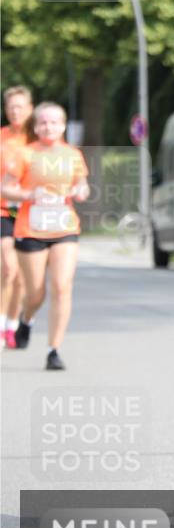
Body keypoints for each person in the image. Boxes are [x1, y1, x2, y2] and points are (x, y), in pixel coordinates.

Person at [0, 102, 89, 370]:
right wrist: (28, 195)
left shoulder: (73, 155)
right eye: (43, 123)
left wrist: (82, 191)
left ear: (63, 126)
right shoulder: (25, 155)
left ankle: (53, 350)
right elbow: (5, 189)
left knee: (62, 286)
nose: (48, 127)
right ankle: (26, 319)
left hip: (64, 227)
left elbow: (81, 183)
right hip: (31, 229)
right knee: (35, 293)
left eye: (53, 122)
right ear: (36, 127)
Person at [0, 85, 34, 348]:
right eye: (11, 106)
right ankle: (1, 324)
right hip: (3, 210)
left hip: (29, 213)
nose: (15, 111)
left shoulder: (37, 141)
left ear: (30, 109)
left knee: (23, 277)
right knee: (8, 268)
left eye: (20, 106)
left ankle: (12, 325)